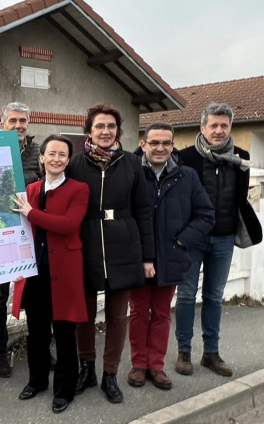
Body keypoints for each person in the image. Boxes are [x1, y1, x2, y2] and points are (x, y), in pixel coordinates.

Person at [68, 103, 155, 404]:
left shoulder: (132, 163)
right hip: (86, 242)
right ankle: (87, 368)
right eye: (99, 126)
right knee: (84, 316)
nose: (105, 131)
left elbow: (144, 210)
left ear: (118, 130)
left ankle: (109, 374)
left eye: (111, 126)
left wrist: (148, 257)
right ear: (89, 131)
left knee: (119, 316)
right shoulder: (75, 163)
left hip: (123, 244)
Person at [175, 103, 262, 377]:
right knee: (187, 295)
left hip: (224, 238)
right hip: (193, 238)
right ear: (203, 128)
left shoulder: (241, 158)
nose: (218, 130)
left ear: (230, 128)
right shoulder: (186, 157)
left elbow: (241, 197)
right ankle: (184, 352)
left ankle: (211, 353)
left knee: (214, 297)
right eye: (213, 125)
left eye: (224, 125)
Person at [128, 123, 214, 390]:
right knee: (139, 312)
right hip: (139, 257)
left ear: (173, 146)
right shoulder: (131, 173)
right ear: (143, 145)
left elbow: (206, 215)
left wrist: (181, 239)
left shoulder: (186, 176)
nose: (160, 148)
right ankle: (138, 365)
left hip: (172, 256)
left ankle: (156, 365)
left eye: (166, 143)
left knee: (163, 313)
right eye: (154, 143)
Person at [11, 136, 89, 413]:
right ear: (41, 158)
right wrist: (15, 267)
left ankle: (64, 389)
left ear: (69, 160)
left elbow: (69, 225)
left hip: (64, 272)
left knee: (65, 332)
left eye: (63, 154)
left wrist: (32, 213)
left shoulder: (79, 189)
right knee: (37, 332)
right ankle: (37, 380)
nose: (57, 159)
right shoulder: (30, 189)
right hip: (34, 272)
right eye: (51, 153)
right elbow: (17, 232)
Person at [0, 102, 42, 378]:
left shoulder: (37, 152)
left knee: (34, 293)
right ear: (3, 125)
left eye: (23, 121)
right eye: (13, 121)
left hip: (30, 229)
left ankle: (41, 346)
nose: (19, 126)